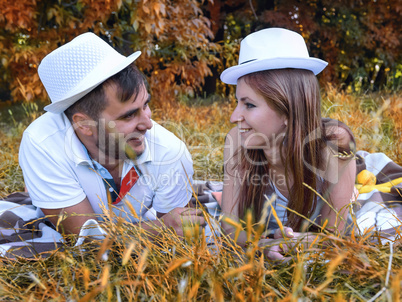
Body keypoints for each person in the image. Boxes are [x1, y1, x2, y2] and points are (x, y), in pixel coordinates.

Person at [18, 32, 205, 236]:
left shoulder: (170, 152)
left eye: (146, 105)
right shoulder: (42, 144)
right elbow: (87, 241)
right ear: (84, 124)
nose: (148, 124)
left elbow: (177, 239)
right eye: (129, 116)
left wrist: (166, 228)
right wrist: (158, 230)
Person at [219, 28, 357, 260]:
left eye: (249, 105)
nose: (234, 117)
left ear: (288, 110)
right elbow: (231, 228)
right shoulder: (236, 141)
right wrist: (264, 245)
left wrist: (294, 243)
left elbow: (335, 237)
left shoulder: (334, 144)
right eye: (237, 103)